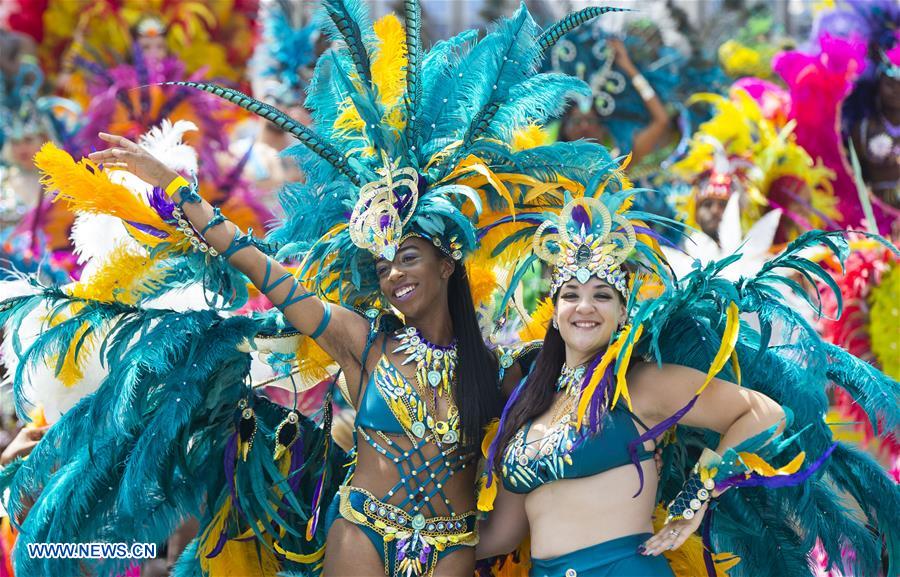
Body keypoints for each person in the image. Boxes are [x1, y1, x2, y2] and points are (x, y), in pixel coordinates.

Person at [0, 3, 626, 576]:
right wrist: (179, 193)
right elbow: (263, 271)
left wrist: (594, 301)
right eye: (382, 266)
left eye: (408, 258)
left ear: (447, 263)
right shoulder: (362, 342)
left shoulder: (501, 369)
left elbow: (583, 388)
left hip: (451, 545)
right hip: (361, 536)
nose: (394, 276)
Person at [473, 180, 899, 577]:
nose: (585, 307)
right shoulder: (530, 400)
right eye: (572, 295)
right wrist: (423, 536)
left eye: (602, 295)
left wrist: (696, 496)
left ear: (622, 312)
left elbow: (763, 414)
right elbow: (502, 535)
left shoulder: (642, 385)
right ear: (555, 310)